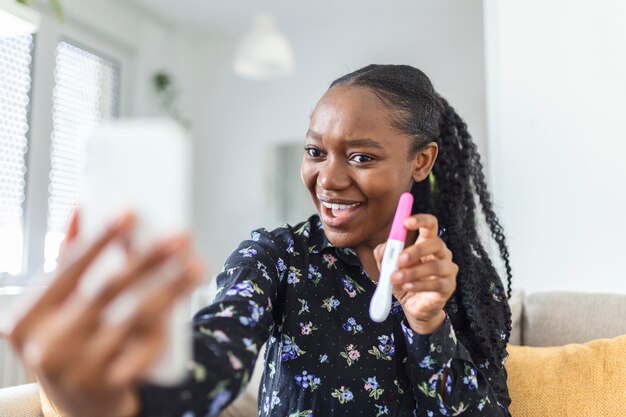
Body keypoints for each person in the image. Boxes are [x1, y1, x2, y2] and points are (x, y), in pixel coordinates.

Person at [4, 64, 513, 417]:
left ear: (421, 161)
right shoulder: (277, 257)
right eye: (316, 152)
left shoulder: (458, 277)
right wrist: (119, 402)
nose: (328, 180)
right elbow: (219, 347)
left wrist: (429, 327)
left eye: (361, 157)